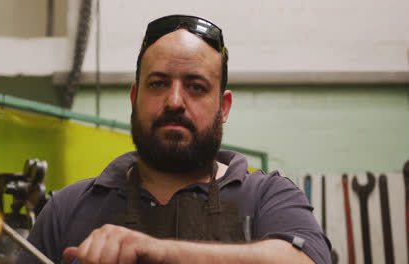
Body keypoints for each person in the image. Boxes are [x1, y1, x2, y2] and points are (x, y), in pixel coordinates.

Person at [17, 15, 331, 264]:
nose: (175, 101)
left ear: (223, 108)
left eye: (196, 86)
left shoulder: (267, 197)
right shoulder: (66, 210)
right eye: (158, 84)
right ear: (134, 98)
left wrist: (158, 251)